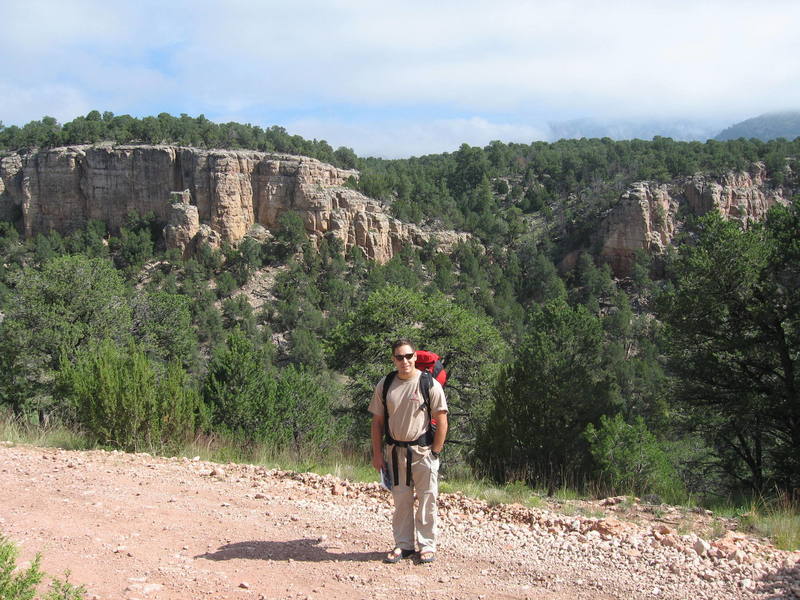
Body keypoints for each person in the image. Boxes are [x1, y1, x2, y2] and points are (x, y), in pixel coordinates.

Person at [369, 338, 448, 564]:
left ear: (415, 357)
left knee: (427, 499)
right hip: (395, 452)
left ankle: (427, 545)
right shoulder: (385, 384)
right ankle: (403, 545)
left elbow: (441, 419)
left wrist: (435, 452)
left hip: (423, 451)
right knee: (401, 500)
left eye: (408, 356)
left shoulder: (429, 384)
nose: (404, 361)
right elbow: (377, 422)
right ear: (393, 359)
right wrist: (377, 454)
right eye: (399, 357)